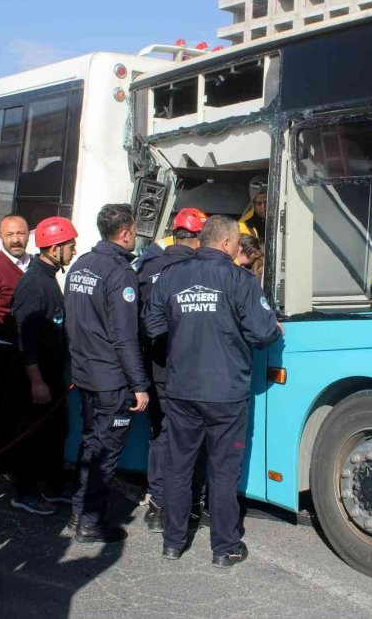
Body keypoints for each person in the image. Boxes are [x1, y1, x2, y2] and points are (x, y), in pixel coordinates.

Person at [143, 215, 282, 567]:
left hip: (181, 389)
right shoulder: (240, 279)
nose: (239, 248)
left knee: (178, 468)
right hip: (225, 392)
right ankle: (225, 548)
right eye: (237, 243)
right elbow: (264, 333)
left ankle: (173, 543)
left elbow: (153, 325)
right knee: (222, 472)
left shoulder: (171, 276)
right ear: (225, 244)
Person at [64, 204, 150, 543]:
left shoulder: (80, 265)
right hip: (112, 381)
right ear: (126, 233)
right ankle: (90, 523)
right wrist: (139, 385)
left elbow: (72, 323)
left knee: (90, 446)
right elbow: (126, 336)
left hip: (85, 375)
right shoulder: (120, 273)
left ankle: (77, 514)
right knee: (105, 453)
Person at [136, 207, 207, 533]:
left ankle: (157, 505)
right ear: (197, 239)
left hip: (154, 368)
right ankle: (188, 506)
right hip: (188, 371)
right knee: (189, 439)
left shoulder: (147, 267)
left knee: (160, 436)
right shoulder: (196, 270)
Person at [10, 216, 78, 516]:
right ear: (54, 248)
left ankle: (52, 485)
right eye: (70, 246)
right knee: (32, 437)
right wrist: (36, 381)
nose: (74, 251)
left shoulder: (48, 277)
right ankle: (25, 491)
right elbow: (24, 338)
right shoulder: (34, 284)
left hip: (53, 376)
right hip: (37, 379)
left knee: (55, 434)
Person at [0, 214, 31, 486]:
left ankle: (24, 463)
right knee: (5, 418)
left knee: (26, 415)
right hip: (3, 357)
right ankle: (5, 466)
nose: (16, 239)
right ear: (1, 237)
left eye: (20, 233)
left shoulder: (33, 266)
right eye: (10, 234)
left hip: (28, 356)